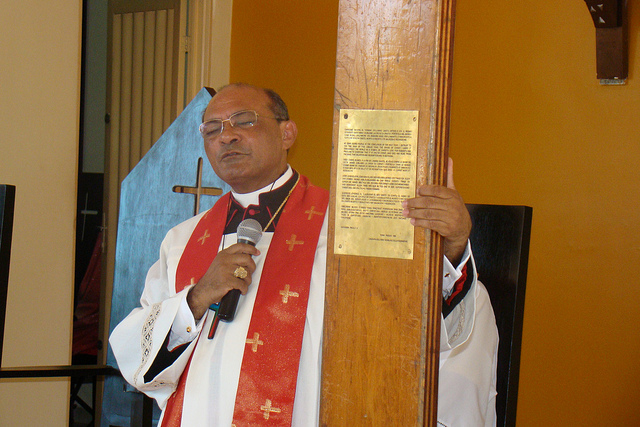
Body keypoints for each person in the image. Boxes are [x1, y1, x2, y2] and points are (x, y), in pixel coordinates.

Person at [109, 83, 498, 426]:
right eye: (212, 129)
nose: (226, 136)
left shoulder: (349, 228)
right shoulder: (182, 240)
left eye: (243, 121)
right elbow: (136, 356)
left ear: (287, 133)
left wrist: (452, 246)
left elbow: (412, 323)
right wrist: (195, 299)